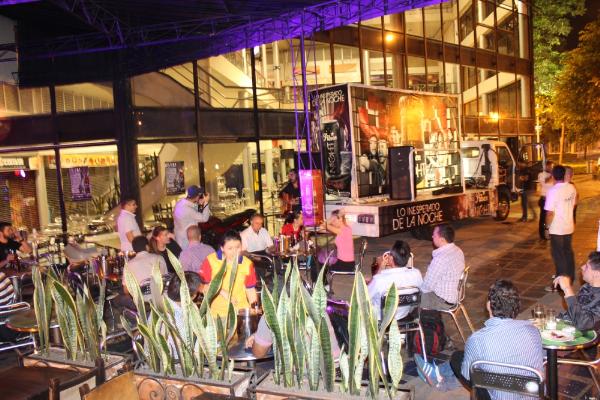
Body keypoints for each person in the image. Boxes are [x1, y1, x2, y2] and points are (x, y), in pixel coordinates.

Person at [415, 280, 544, 400]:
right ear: (517, 306)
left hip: (496, 396)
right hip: (533, 395)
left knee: (458, 358)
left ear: (489, 305)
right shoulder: (533, 331)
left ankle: (439, 377)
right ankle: (440, 377)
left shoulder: (478, 339)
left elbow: (466, 374)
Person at [199, 230, 258, 318]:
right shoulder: (210, 261)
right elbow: (201, 286)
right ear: (222, 248)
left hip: (240, 311)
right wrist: (221, 291)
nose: (235, 251)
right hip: (217, 314)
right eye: (230, 248)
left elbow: (250, 289)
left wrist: (254, 308)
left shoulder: (247, 263)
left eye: (238, 247)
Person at [246, 312, 341, 359]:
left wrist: (260, 337)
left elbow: (258, 353)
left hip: (295, 382)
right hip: (327, 378)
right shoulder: (319, 310)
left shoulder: (271, 314)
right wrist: (259, 334)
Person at [368, 240, 423, 321]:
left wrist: (381, 268)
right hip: (403, 315)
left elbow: (366, 296)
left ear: (391, 258)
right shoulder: (416, 273)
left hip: (381, 319)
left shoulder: (380, 279)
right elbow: (421, 291)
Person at [545, 165, 577, 286]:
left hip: (557, 228)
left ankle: (562, 284)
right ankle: (571, 277)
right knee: (568, 252)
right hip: (568, 226)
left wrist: (546, 227)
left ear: (553, 176)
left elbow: (550, 213)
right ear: (564, 175)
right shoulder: (571, 187)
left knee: (559, 255)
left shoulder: (553, 191)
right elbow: (573, 204)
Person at [420, 224, 465, 310]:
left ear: (442, 239)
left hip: (442, 301)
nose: (432, 236)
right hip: (456, 296)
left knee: (411, 298)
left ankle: (418, 318)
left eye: (434, 235)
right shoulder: (458, 251)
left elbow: (427, 287)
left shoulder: (440, 258)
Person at [552, 251, 600, 332]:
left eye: (587, 267)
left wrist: (567, 289)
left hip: (586, 337)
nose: (582, 267)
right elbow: (574, 312)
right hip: (569, 328)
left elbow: (583, 324)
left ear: (597, 274)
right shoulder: (587, 287)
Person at [314, 209, 355, 287]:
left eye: (333, 220)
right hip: (347, 263)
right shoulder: (346, 228)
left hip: (344, 264)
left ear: (340, 219)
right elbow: (321, 227)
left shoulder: (342, 230)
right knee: (320, 258)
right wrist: (334, 217)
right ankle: (322, 284)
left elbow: (324, 225)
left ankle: (322, 285)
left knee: (317, 263)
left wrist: (331, 219)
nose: (332, 222)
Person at [122, 236, 167, 301]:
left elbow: (126, 290)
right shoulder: (159, 258)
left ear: (134, 250)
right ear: (147, 247)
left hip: (143, 303)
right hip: (162, 299)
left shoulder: (128, 265)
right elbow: (166, 279)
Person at [173, 185, 211, 249]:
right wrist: (206, 203)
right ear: (197, 197)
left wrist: (199, 204)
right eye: (199, 195)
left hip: (180, 236)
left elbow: (192, 210)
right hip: (186, 240)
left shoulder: (180, 203)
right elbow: (204, 218)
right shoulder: (188, 210)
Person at [537, 160, 554, 240]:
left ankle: (549, 232)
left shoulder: (553, 175)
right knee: (543, 218)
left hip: (552, 200)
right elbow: (545, 182)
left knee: (550, 217)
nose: (551, 168)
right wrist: (552, 175)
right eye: (550, 166)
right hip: (544, 199)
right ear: (546, 166)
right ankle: (542, 234)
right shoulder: (541, 174)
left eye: (552, 167)